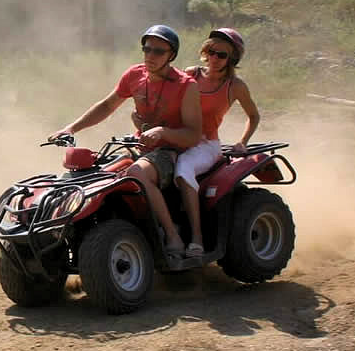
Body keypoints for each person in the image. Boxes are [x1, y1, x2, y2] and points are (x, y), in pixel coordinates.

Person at [49, 25, 202, 262]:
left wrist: (163, 132)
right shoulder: (134, 75)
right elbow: (107, 106)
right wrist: (71, 128)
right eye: (147, 49)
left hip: (171, 151)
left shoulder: (186, 85)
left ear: (171, 55)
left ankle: (173, 235)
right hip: (140, 146)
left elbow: (193, 135)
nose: (150, 56)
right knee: (92, 173)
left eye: (158, 51)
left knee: (136, 173)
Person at [144, 28, 260, 258]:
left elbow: (254, 116)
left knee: (184, 168)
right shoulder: (190, 74)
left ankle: (196, 237)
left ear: (233, 59)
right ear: (205, 51)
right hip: (179, 139)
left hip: (205, 145)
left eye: (222, 55)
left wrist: (242, 141)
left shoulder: (235, 86)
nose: (215, 58)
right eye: (211, 51)